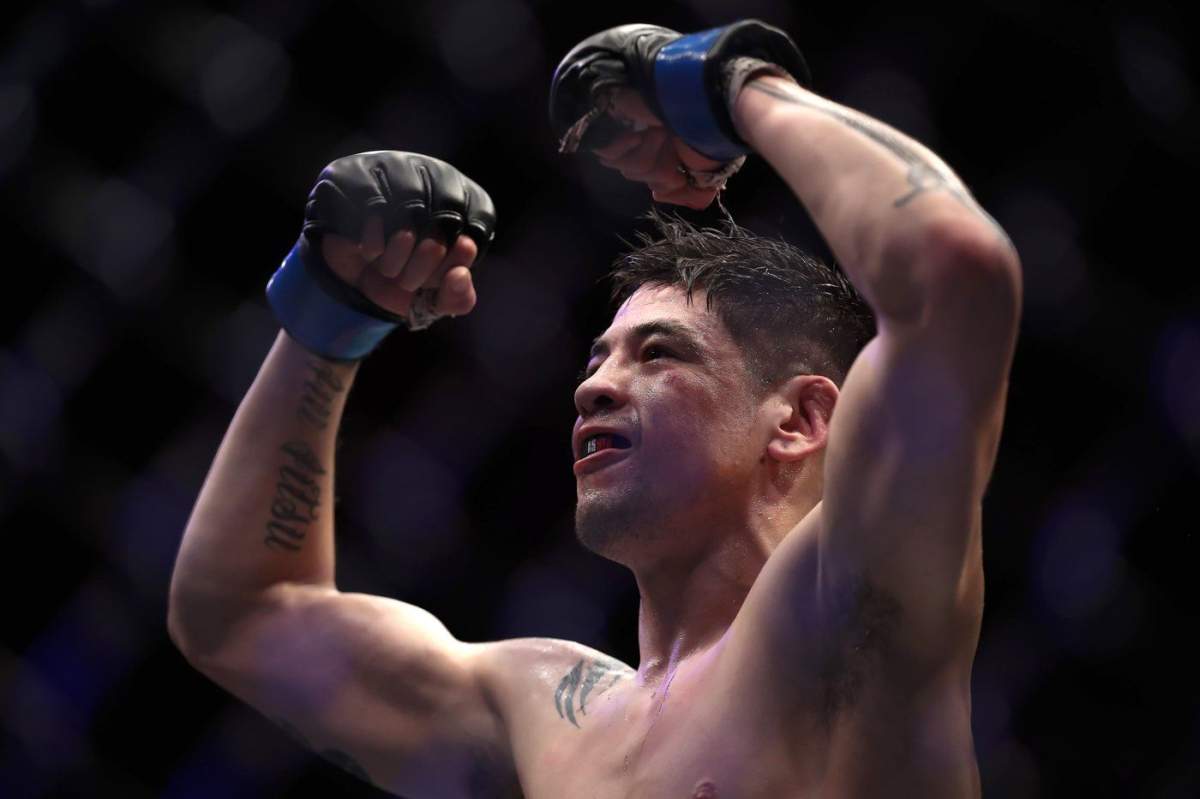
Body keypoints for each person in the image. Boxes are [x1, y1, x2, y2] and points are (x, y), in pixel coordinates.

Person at [168, 20, 1021, 798]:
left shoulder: (847, 603)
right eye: (596, 358)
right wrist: (331, 318)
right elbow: (238, 613)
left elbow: (955, 269)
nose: (594, 386)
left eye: (658, 353)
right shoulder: (546, 713)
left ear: (797, 421)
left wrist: (732, 87)